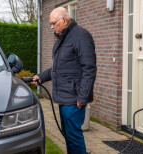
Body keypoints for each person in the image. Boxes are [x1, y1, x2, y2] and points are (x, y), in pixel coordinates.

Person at [32, 7, 96, 154]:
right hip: (64, 97)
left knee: (73, 136)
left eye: (54, 23)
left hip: (74, 99)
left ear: (65, 20)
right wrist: (41, 76)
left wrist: (83, 96)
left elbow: (89, 68)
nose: (51, 27)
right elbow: (59, 68)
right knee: (68, 135)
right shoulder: (62, 39)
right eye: (51, 24)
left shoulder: (81, 36)